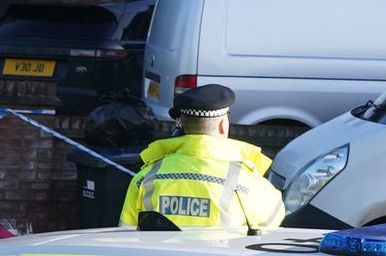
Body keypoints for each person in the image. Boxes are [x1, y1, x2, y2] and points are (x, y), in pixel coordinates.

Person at [118, 84, 285, 232]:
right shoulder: (247, 181)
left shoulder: (146, 178)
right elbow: (273, 222)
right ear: (222, 125)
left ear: (181, 126)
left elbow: (125, 235)